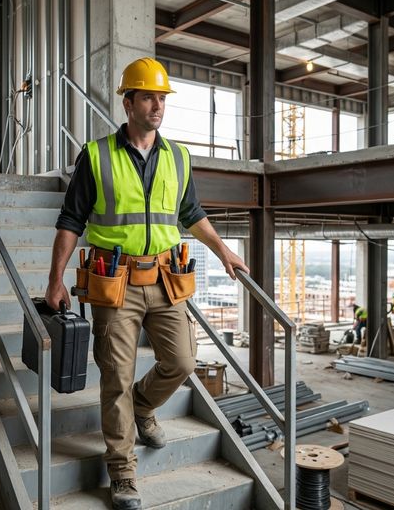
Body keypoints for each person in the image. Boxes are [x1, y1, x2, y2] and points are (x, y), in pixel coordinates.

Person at [45, 57, 249, 510]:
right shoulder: (96, 155)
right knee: (115, 376)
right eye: (149, 97)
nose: (158, 105)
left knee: (182, 360)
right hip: (113, 280)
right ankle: (122, 473)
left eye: (162, 98)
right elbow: (71, 220)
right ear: (128, 101)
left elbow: (190, 214)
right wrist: (55, 279)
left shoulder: (178, 156)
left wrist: (224, 251)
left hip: (165, 277)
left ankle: (144, 405)